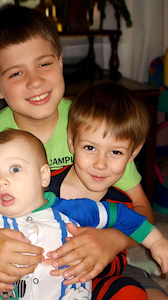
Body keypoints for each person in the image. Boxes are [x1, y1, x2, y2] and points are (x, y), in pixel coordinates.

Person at [0, 4, 158, 300]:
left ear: (61, 62)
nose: (34, 81)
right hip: (5, 273)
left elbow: (143, 213)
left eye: (44, 64)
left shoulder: (95, 127)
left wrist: (111, 241)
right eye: (15, 73)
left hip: (88, 265)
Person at [0, 129, 168, 300]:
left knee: (128, 291)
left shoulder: (73, 210)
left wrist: (156, 241)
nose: (1, 181)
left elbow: (124, 216)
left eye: (14, 169)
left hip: (71, 296)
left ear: (44, 176)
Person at [46, 82, 168, 298]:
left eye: (115, 152)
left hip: (103, 281)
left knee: (131, 292)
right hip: (45, 279)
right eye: (90, 148)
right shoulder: (44, 187)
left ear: (133, 153)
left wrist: (159, 243)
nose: (100, 164)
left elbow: (140, 226)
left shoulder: (121, 204)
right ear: (72, 142)